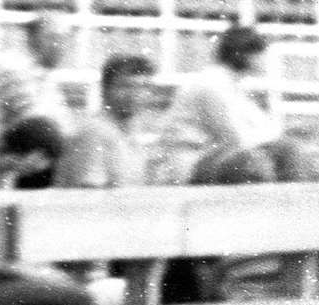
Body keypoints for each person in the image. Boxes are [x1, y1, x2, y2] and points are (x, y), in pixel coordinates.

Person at [155, 21, 282, 184]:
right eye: (260, 53)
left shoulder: (233, 85)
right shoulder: (211, 84)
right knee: (250, 161)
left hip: (209, 158)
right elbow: (234, 139)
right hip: (188, 163)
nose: (265, 59)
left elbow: (267, 130)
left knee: (287, 150)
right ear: (244, 54)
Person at [54, 54, 160, 189]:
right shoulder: (94, 132)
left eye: (144, 86)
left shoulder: (131, 137)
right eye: (126, 86)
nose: (135, 93)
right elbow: (90, 196)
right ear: (105, 90)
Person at [0, 13, 74, 135]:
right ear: (31, 38)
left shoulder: (44, 76)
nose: (59, 46)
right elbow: (34, 124)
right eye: (52, 38)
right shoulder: (14, 68)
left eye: (63, 39)